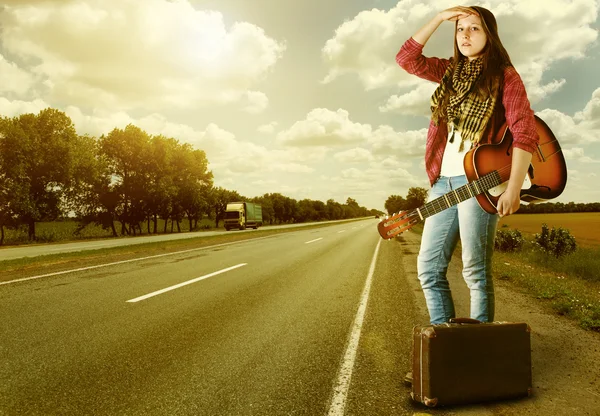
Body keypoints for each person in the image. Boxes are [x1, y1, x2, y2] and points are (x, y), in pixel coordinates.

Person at [396, 5, 538, 330]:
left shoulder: (505, 76)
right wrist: (438, 18)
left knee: (474, 270)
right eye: (460, 29)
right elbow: (407, 59)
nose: (465, 35)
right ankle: (446, 350)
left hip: (479, 183)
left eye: (474, 28)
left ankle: (479, 355)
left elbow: (524, 130)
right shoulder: (450, 73)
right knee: (429, 268)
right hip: (443, 182)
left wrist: (514, 186)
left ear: (490, 34)